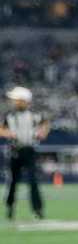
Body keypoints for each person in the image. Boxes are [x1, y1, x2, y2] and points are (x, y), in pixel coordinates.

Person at [4, 86, 50, 221]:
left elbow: (46, 124)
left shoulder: (34, 116)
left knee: (33, 181)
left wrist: (42, 133)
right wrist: (9, 134)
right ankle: (10, 207)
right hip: (15, 151)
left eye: (17, 100)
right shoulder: (10, 116)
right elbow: (1, 129)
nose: (14, 102)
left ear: (24, 101)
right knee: (13, 182)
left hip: (29, 150)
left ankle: (38, 209)